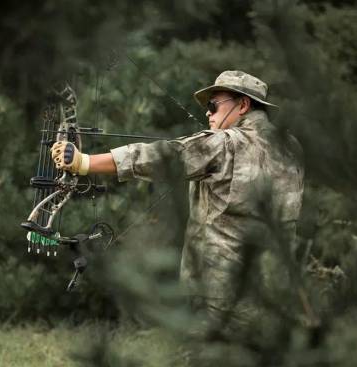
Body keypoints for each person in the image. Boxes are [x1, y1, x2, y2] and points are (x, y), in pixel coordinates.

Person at [51, 70, 304, 317]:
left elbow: (164, 157)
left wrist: (83, 163)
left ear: (243, 105)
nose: (207, 112)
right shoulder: (291, 147)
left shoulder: (225, 143)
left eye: (214, 105)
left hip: (217, 298)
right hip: (275, 296)